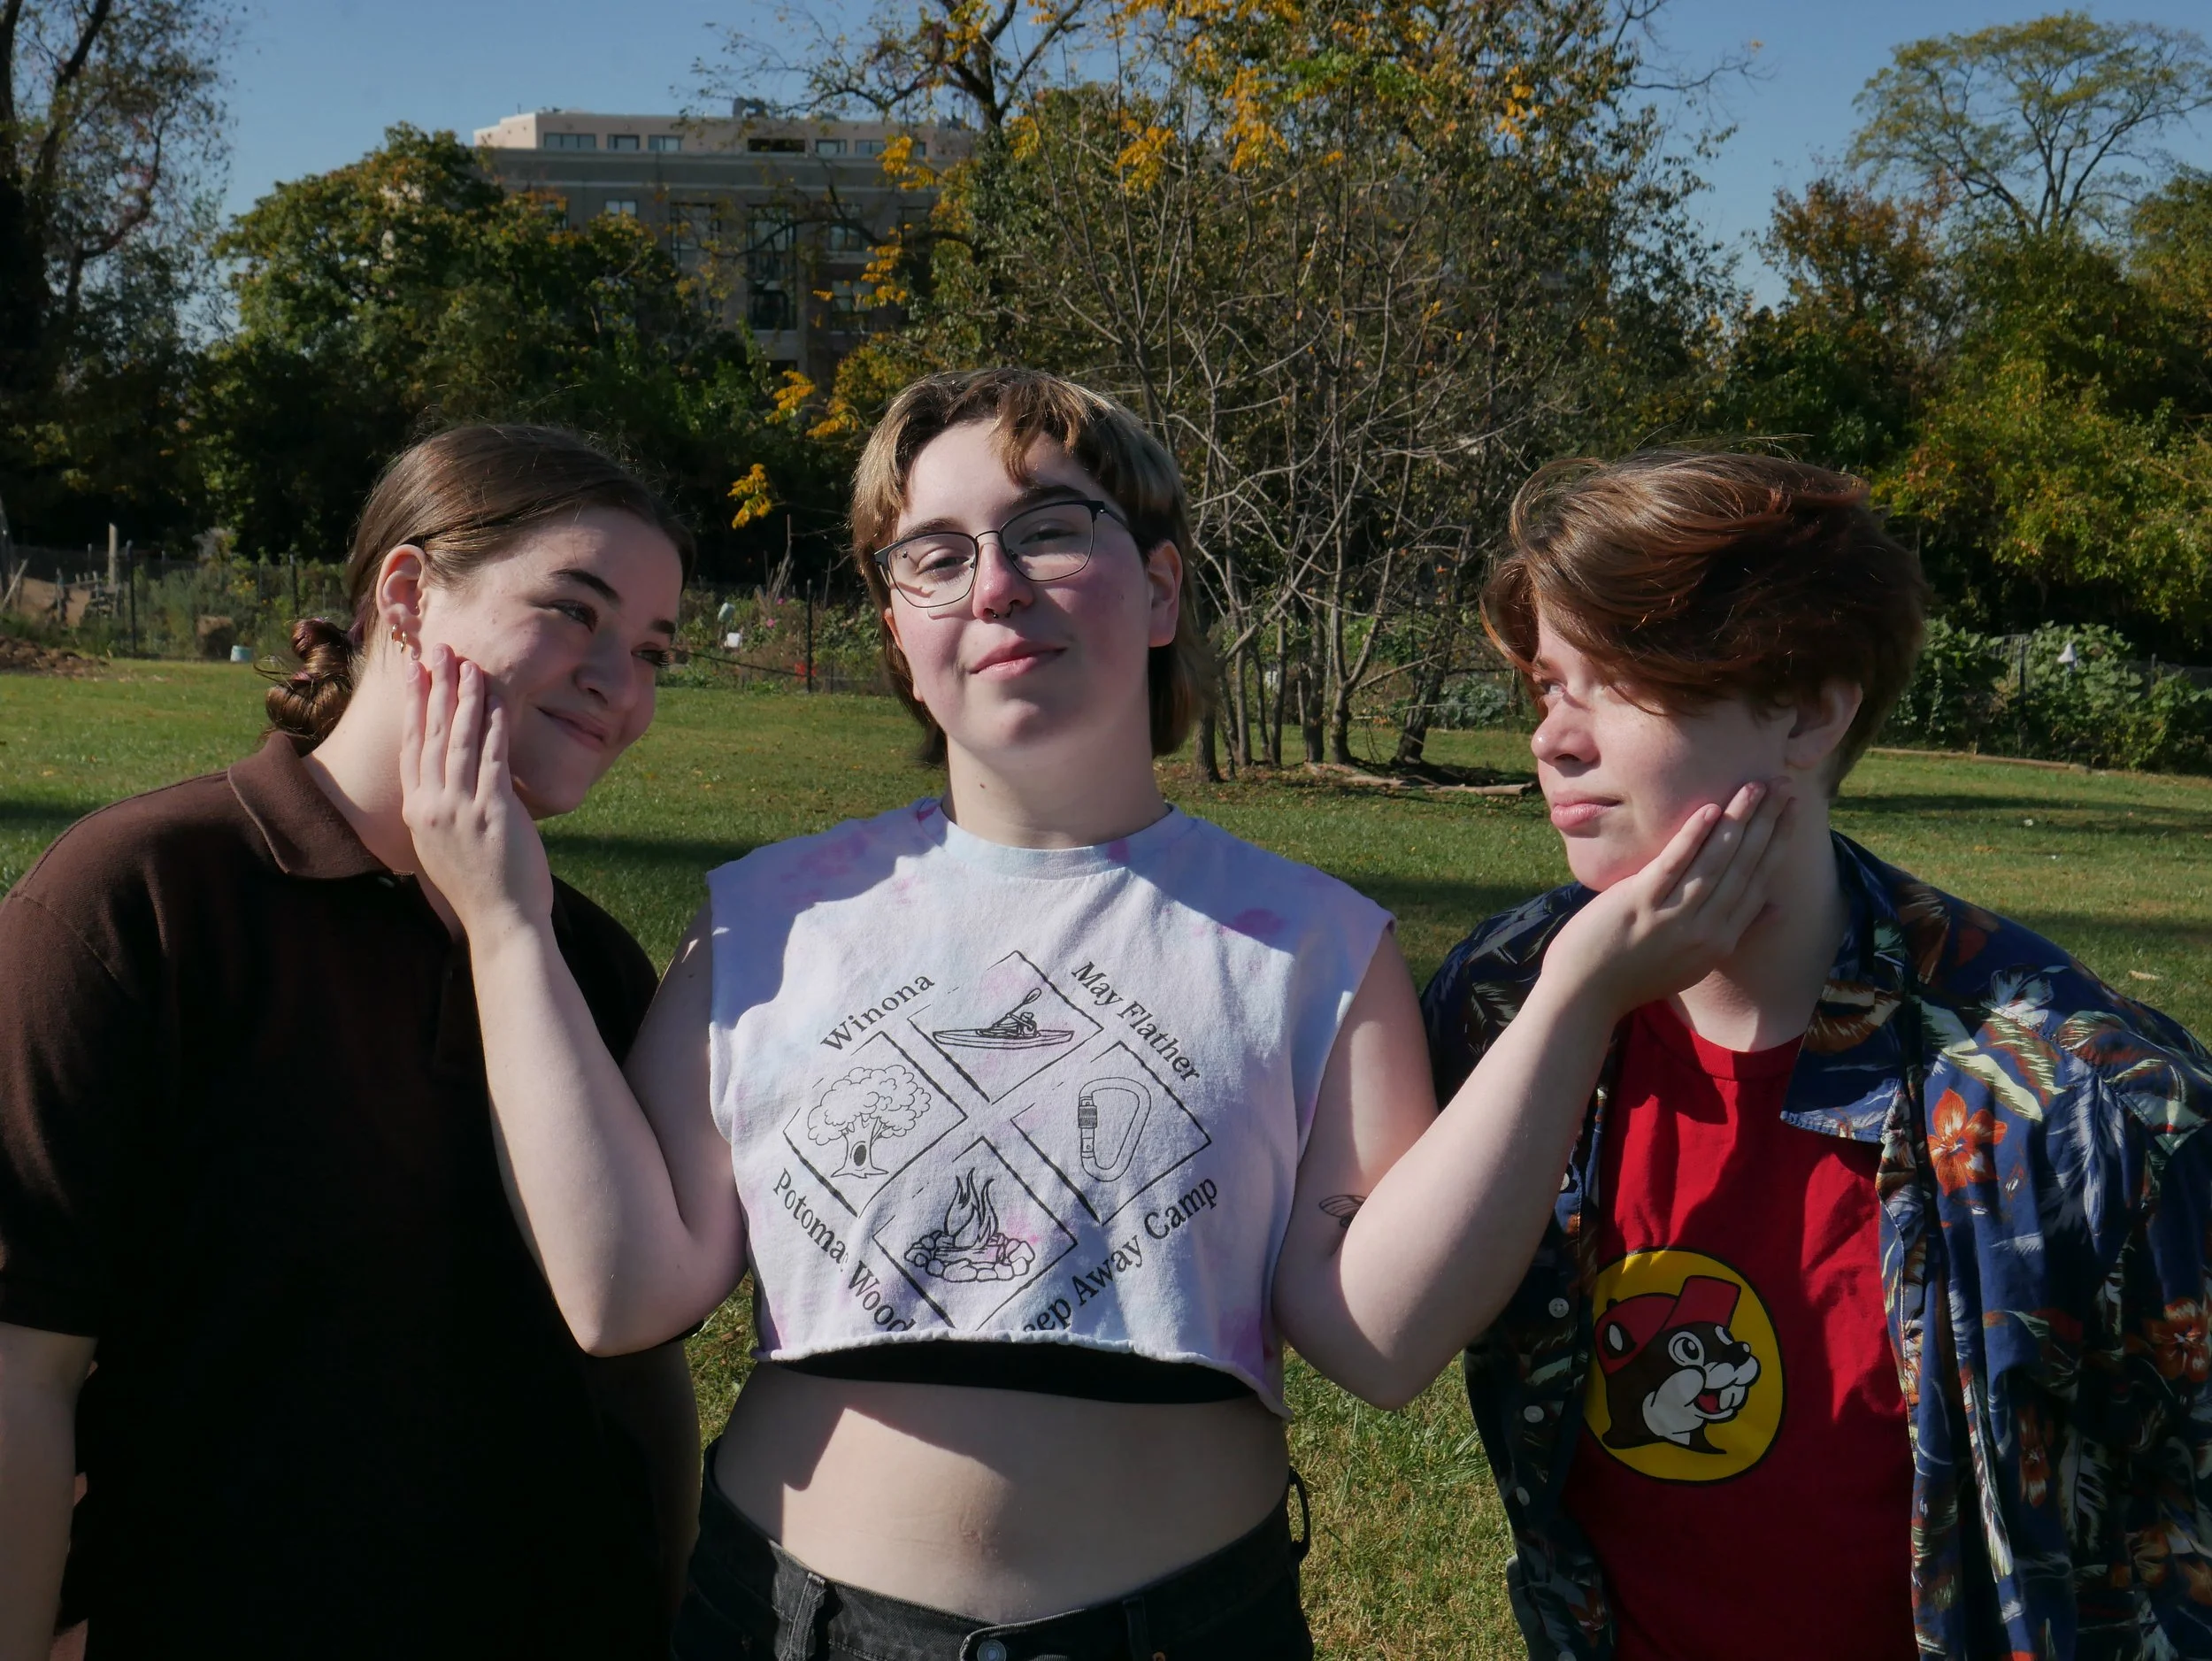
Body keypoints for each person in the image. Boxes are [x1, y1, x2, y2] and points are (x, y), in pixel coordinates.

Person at [395, 368, 1788, 1661]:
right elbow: (624, 1291)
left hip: (1187, 1630)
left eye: (1052, 531)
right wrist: (507, 925)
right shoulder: (763, 920)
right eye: (936, 557)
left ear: (1162, 588)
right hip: (793, 1624)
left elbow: (1380, 1339)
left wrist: (1577, 995)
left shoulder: (1315, 943)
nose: (996, 585)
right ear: (898, 633)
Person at [1421, 450, 2212, 1660]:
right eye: (1547, 686)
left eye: (1618, 682)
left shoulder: (2089, 1104)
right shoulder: (1498, 1006)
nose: (1553, 741)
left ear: (1808, 711)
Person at [0, 425, 703, 1660]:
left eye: (651, 651)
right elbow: (23, 1372)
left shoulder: (586, 962)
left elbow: (639, 1381)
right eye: (573, 612)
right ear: (407, 594)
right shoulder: (143, 899)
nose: (620, 685)